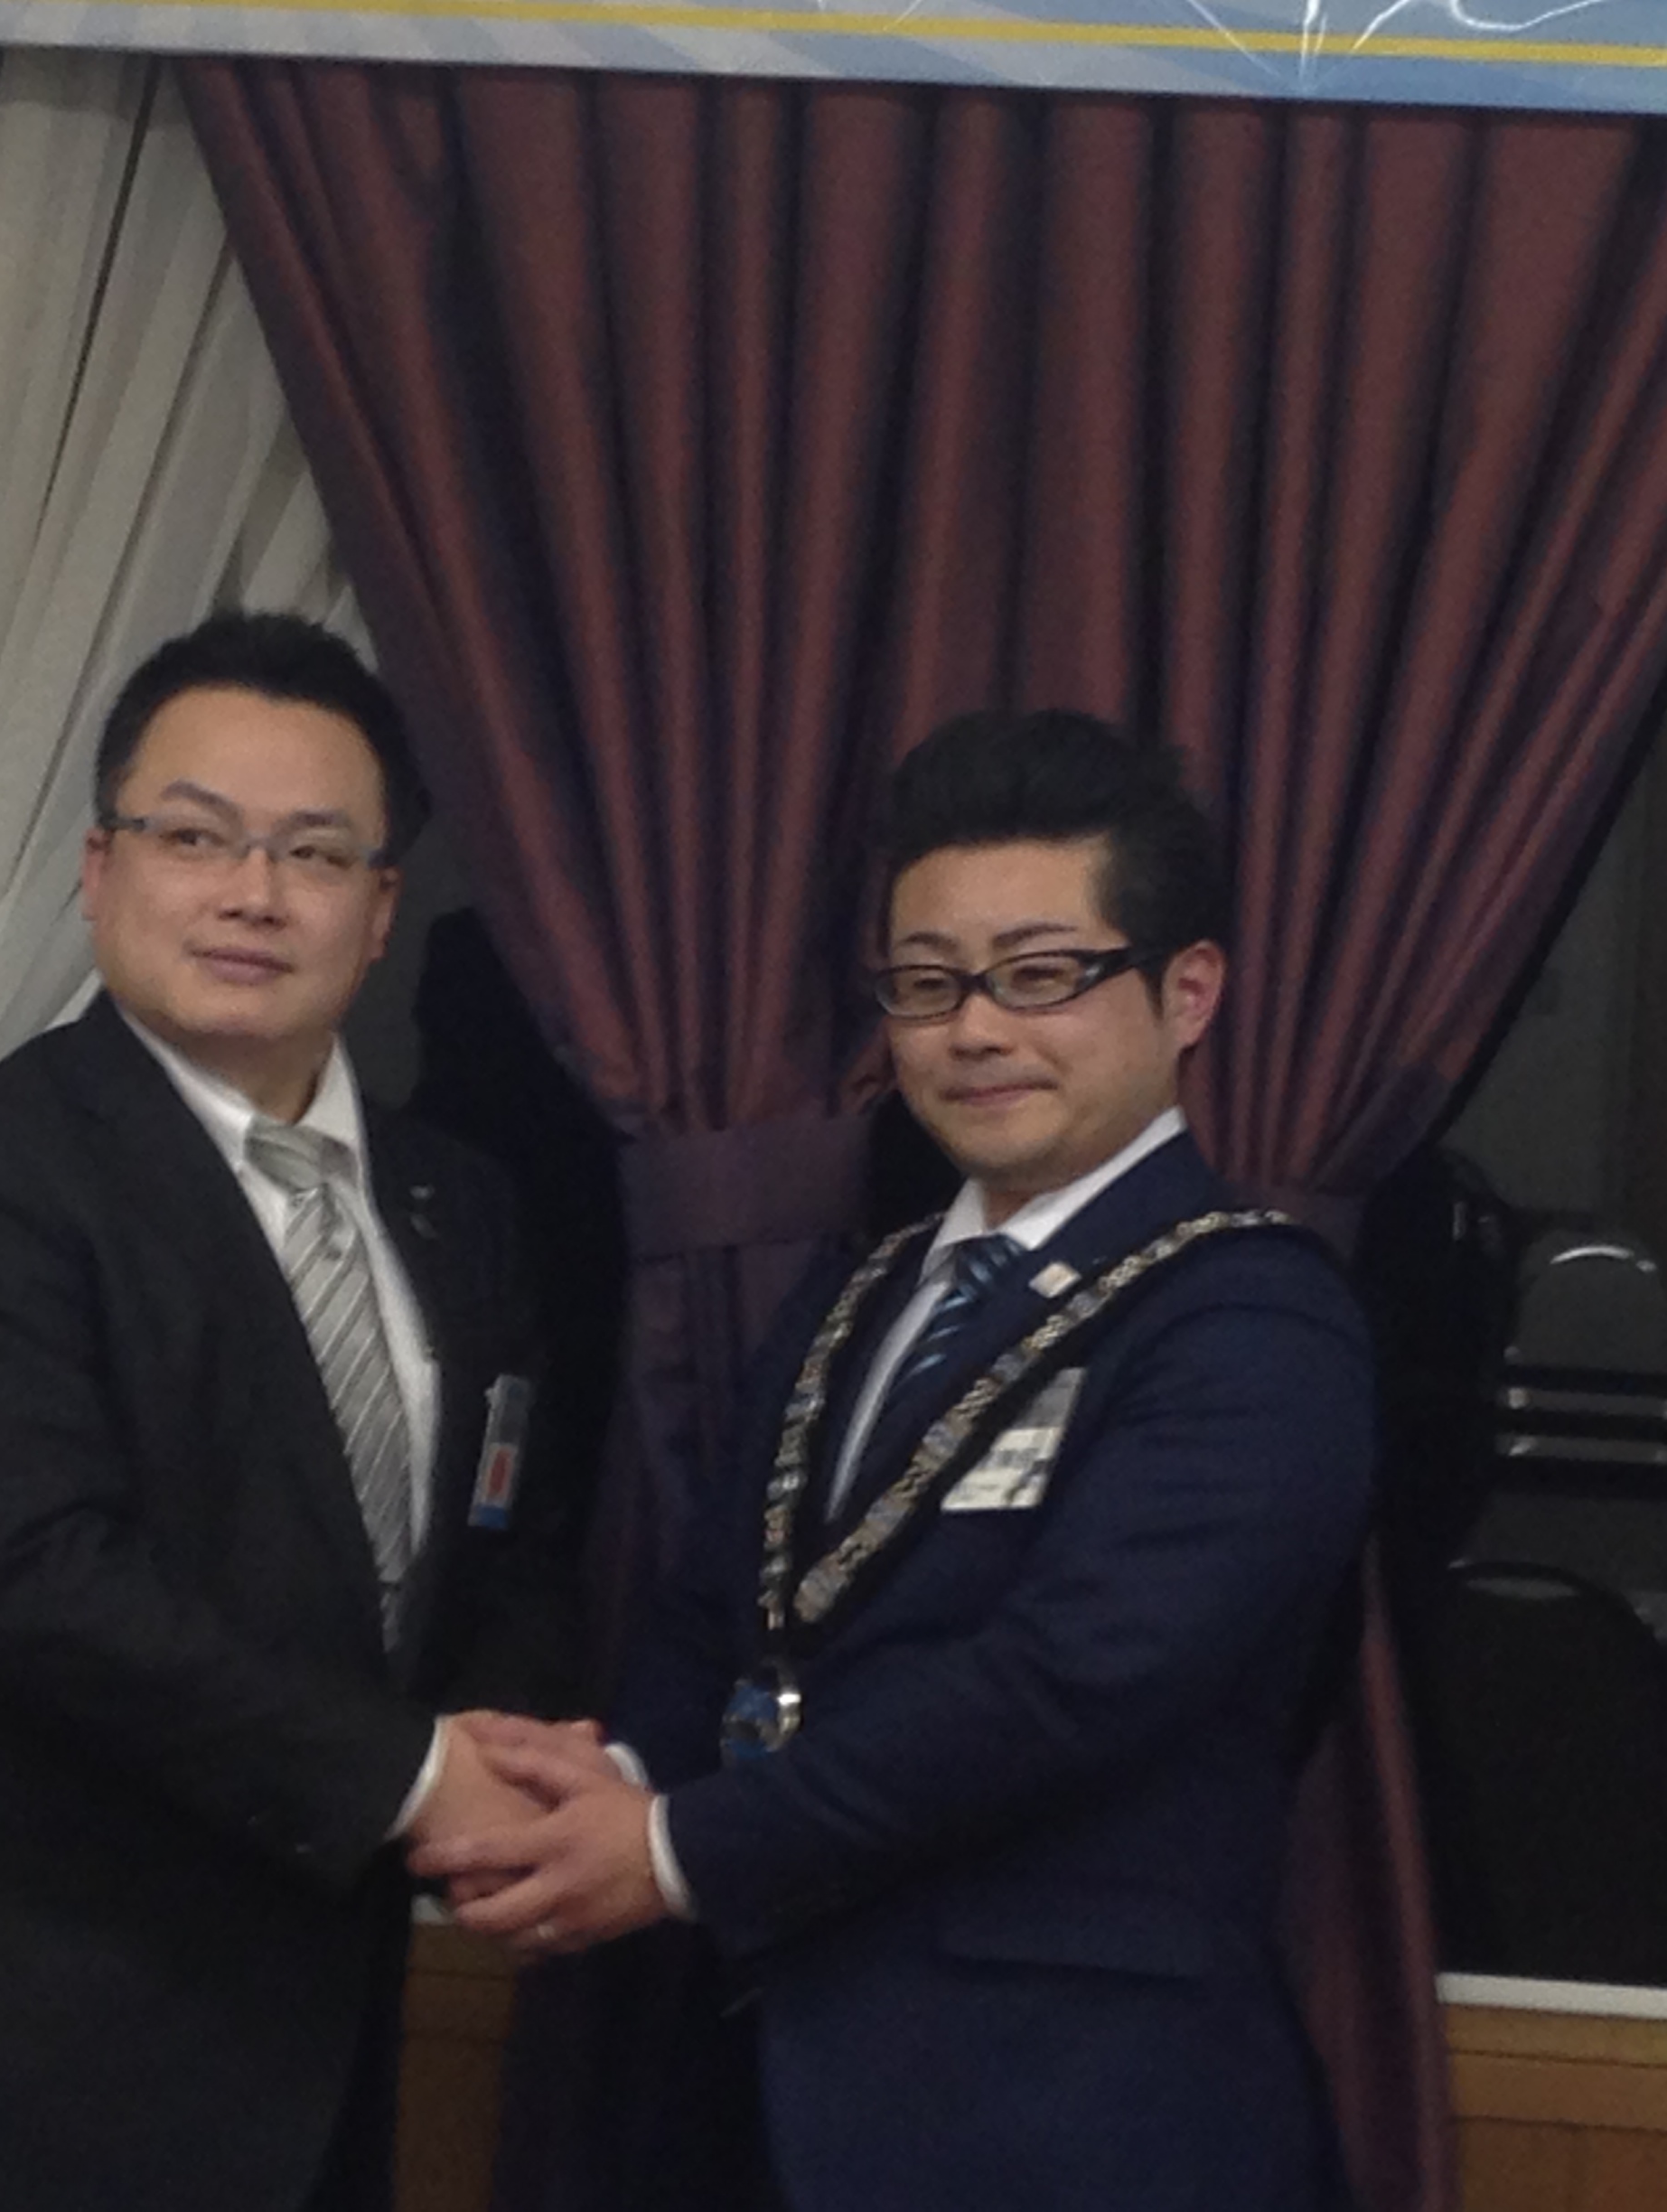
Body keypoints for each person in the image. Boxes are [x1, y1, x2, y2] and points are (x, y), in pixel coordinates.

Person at [0, 613, 584, 2212]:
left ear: (380, 910)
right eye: (195, 836)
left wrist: (501, 1751)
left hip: (302, 2072)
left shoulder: (463, 1206)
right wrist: (419, 1777)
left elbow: (504, 1549)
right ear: (101, 870)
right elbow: (29, 1580)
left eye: (315, 853)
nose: (252, 893)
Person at [421, 709, 1376, 2211]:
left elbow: (1066, 1684)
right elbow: (719, 1612)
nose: (975, 1030)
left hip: (1074, 2117)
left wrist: (672, 1847)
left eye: (1041, 974)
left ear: (1188, 990)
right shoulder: (863, 1293)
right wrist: (615, 1774)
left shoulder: (1250, 1319)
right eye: (928, 983)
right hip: (768, 2083)